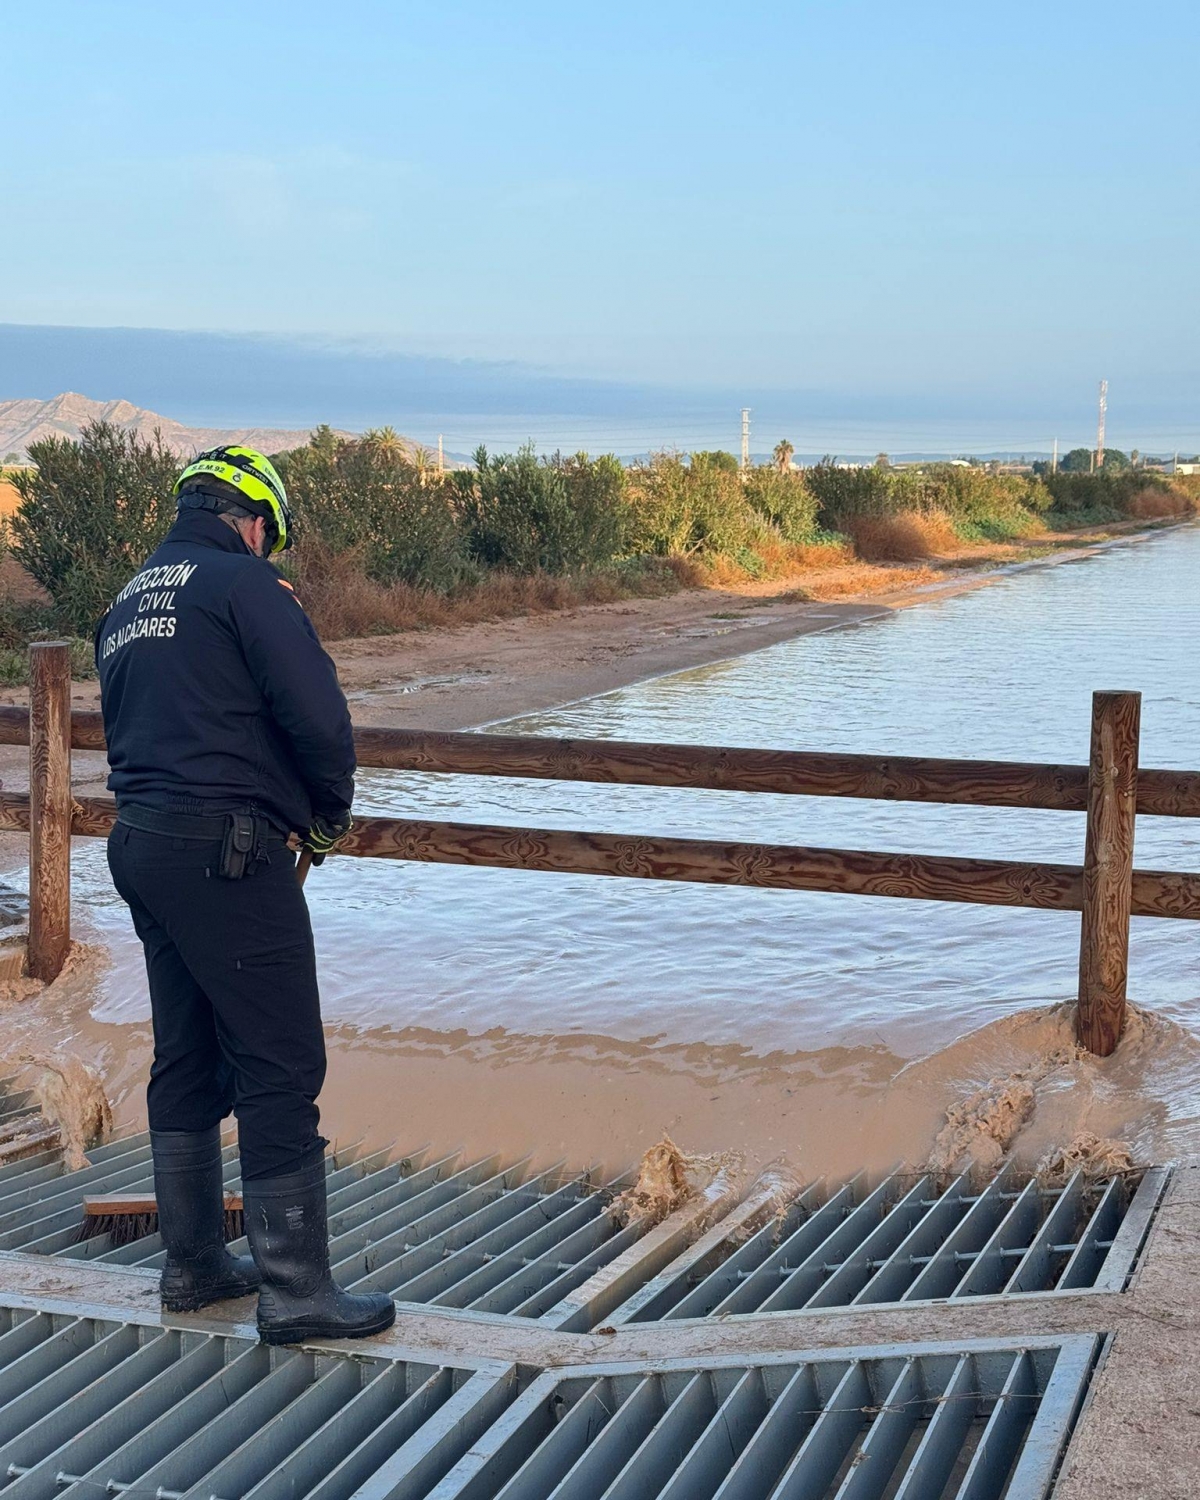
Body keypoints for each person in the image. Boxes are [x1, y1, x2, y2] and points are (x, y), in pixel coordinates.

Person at [96, 445, 395, 1345]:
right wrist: (331, 814)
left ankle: (191, 1266)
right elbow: (318, 716)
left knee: (185, 1055)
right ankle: (297, 1291)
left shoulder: (127, 601)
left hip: (140, 844)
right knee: (280, 1062)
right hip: (227, 853)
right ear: (253, 519)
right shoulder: (245, 587)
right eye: (270, 534)